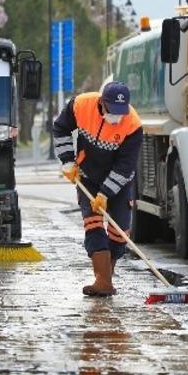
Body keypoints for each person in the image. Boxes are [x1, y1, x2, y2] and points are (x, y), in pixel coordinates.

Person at [53, 82, 142, 297]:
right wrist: (67, 161)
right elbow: (60, 128)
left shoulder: (133, 125)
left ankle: (108, 274)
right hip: (88, 176)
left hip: (119, 182)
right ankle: (102, 280)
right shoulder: (81, 105)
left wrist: (105, 194)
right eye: (113, 111)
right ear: (102, 103)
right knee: (93, 224)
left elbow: (125, 166)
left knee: (119, 231)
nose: (117, 117)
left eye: (122, 112)